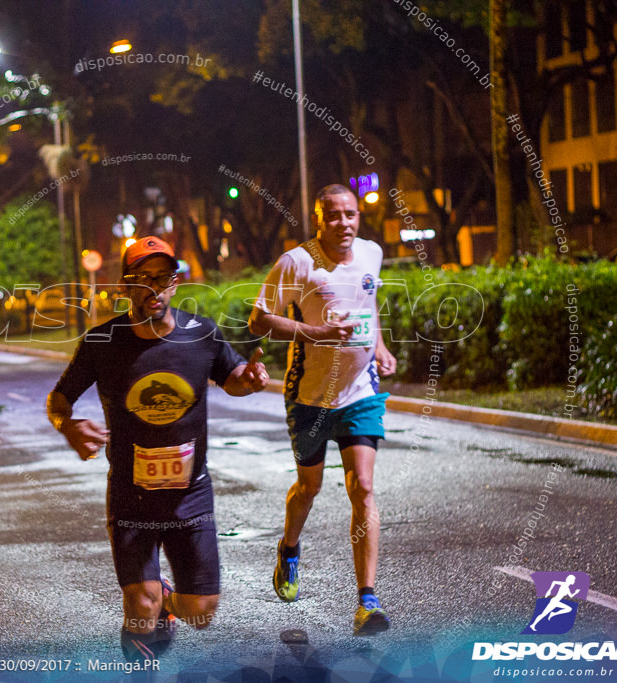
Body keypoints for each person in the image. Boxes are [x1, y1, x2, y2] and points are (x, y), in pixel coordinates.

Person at [47, 236, 270, 662]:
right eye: (142, 279)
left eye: (163, 277)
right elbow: (59, 399)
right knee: (140, 605)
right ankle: (142, 654)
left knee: (201, 612)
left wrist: (252, 379)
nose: (154, 287)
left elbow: (234, 378)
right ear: (125, 286)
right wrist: (67, 425)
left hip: (191, 495)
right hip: (131, 496)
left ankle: (169, 600)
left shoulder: (201, 334)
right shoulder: (101, 342)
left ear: (176, 282)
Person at [248, 184, 398, 636]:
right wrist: (314, 333)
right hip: (309, 396)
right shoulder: (298, 262)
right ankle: (289, 548)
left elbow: (367, 308)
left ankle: (367, 601)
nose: (344, 223)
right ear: (318, 218)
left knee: (364, 487)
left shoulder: (371, 254)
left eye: (350, 214)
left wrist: (380, 347)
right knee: (308, 487)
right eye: (333, 216)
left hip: (359, 393)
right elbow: (259, 320)